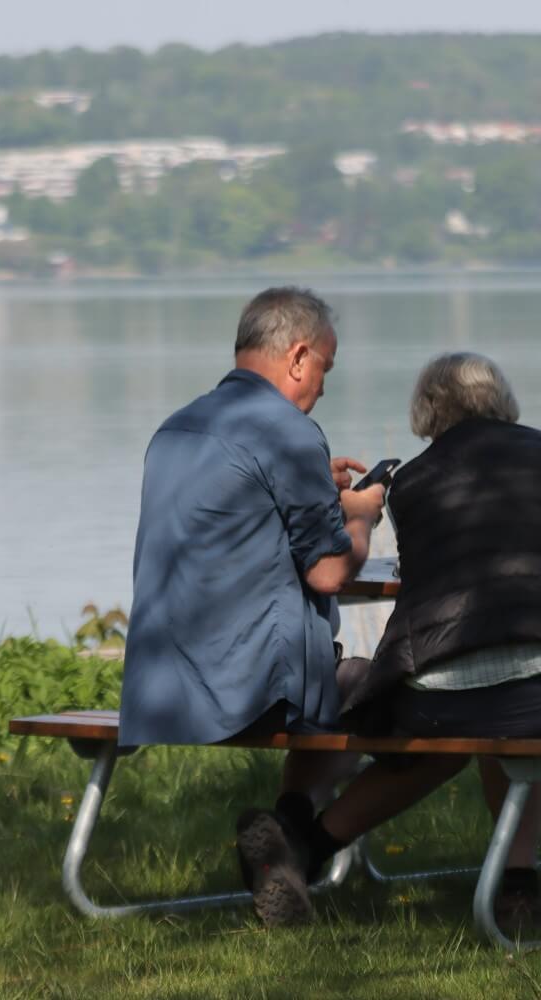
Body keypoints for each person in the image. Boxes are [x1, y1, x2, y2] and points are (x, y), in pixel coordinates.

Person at [235, 350, 541, 928]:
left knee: (479, 702)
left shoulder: (410, 485)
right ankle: (523, 881)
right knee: (526, 682)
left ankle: (305, 845)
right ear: (502, 400)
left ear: (427, 411)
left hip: (446, 700)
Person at [118, 287, 385, 907]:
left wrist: (323, 494)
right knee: (398, 693)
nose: (322, 386)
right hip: (244, 692)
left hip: (159, 688)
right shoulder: (288, 430)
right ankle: (301, 835)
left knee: (343, 682)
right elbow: (328, 573)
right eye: (324, 368)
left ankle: (285, 840)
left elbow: (240, 514)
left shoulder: (178, 426)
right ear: (297, 357)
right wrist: (364, 517)